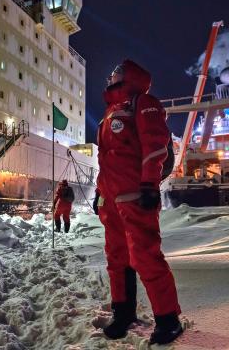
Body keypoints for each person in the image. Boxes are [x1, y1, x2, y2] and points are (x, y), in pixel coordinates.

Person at [93, 59, 182, 344]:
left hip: (135, 197)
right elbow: (105, 159)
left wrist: (148, 184)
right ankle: (123, 312)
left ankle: (168, 319)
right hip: (113, 201)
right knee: (116, 258)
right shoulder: (110, 112)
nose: (110, 76)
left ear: (127, 76)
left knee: (145, 256)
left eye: (115, 72)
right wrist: (99, 192)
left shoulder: (143, 102)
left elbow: (155, 145)